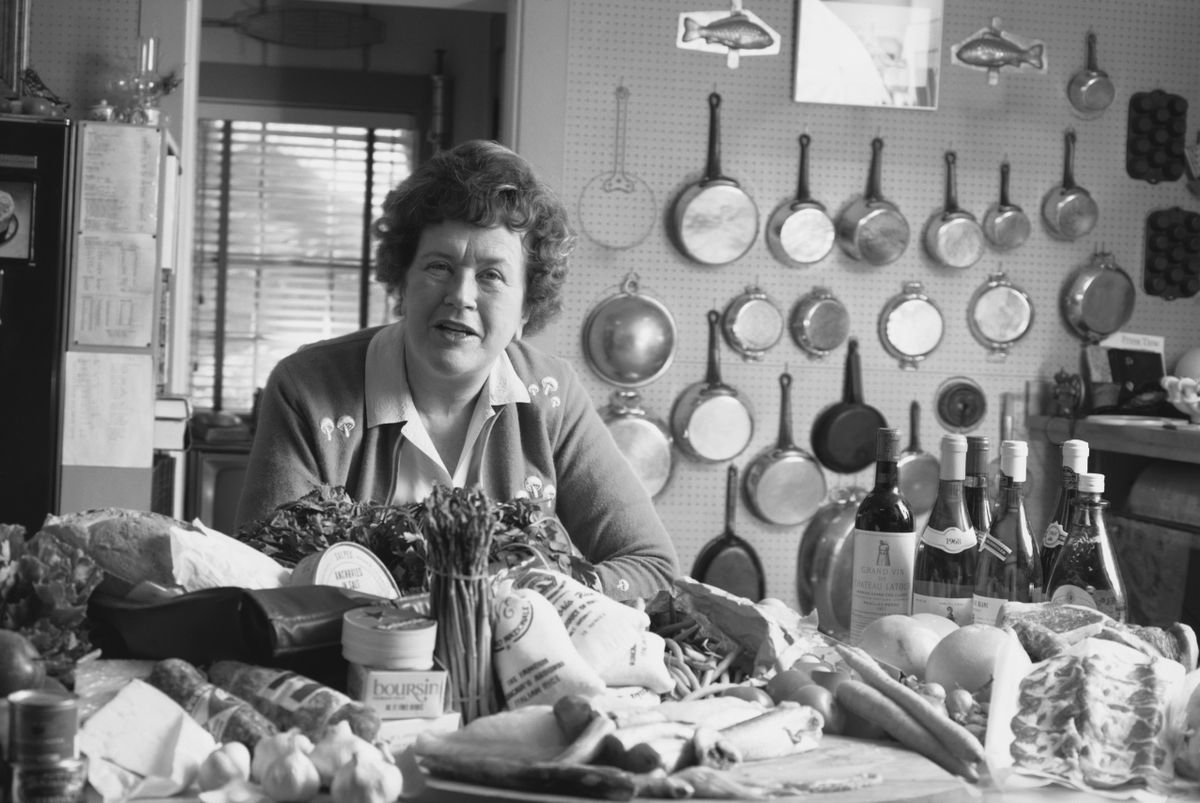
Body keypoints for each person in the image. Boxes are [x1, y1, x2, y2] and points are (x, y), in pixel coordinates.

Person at [236, 139, 680, 601]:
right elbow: (262, 571)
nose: (460, 295)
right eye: (439, 266)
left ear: (527, 307)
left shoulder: (553, 397)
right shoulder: (306, 388)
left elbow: (652, 567)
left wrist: (546, 593)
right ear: (402, 282)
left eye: (491, 275)